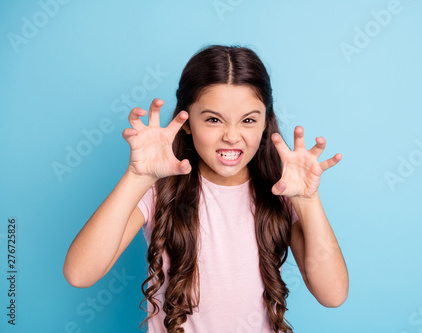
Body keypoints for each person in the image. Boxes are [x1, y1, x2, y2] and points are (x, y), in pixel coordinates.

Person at [63, 44, 348, 333]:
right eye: (213, 119)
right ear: (186, 122)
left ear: (265, 123)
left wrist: (307, 200)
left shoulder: (282, 192)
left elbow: (333, 294)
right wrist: (137, 177)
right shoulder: (159, 190)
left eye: (248, 120)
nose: (232, 136)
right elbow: (79, 273)